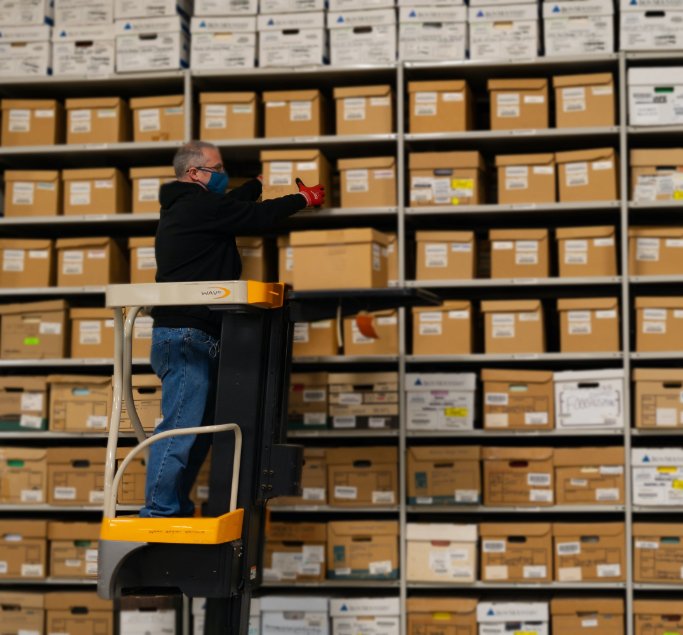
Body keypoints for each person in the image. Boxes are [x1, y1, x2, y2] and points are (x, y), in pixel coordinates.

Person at [140, 140, 324, 518]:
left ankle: (173, 507)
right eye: (217, 168)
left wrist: (256, 186)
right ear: (195, 173)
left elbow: (235, 208)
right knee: (180, 430)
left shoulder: (195, 208)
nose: (223, 174)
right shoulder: (195, 205)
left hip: (196, 336)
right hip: (185, 335)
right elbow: (252, 218)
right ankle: (158, 513)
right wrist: (300, 200)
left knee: (198, 436)